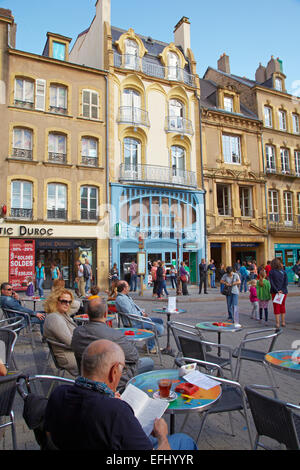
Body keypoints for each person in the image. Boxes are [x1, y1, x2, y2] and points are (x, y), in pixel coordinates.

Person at [45, 339, 197, 450]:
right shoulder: (115, 412)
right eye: (122, 370)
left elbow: (50, 436)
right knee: (184, 441)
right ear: (113, 372)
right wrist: (162, 436)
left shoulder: (58, 394)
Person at [71, 298, 154, 391]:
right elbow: (134, 356)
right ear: (106, 314)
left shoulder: (77, 332)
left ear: (87, 314)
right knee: (149, 362)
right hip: (113, 381)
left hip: (85, 378)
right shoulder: (114, 335)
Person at [115, 281, 164, 353]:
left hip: (138, 319)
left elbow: (134, 309)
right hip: (134, 323)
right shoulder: (121, 299)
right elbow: (130, 313)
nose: (129, 288)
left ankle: (149, 345)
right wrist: (141, 314)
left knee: (160, 321)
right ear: (124, 288)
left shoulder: (126, 297)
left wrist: (142, 312)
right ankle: (150, 347)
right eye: (128, 286)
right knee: (159, 328)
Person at [43, 288, 78, 376]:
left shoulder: (61, 313)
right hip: (70, 357)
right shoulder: (55, 318)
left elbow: (77, 305)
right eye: (64, 301)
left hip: (72, 353)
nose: (67, 304)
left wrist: (67, 297)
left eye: (69, 302)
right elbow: (71, 343)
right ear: (55, 301)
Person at [269, 258, 288, 329]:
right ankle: (283, 322)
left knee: (276, 307)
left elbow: (272, 283)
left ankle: (277, 323)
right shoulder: (284, 272)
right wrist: (282, 290)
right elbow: (286, 283)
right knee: (282, 306)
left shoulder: (271, 272)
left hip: (275, 292)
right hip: (284, 292)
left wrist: (277, 290)